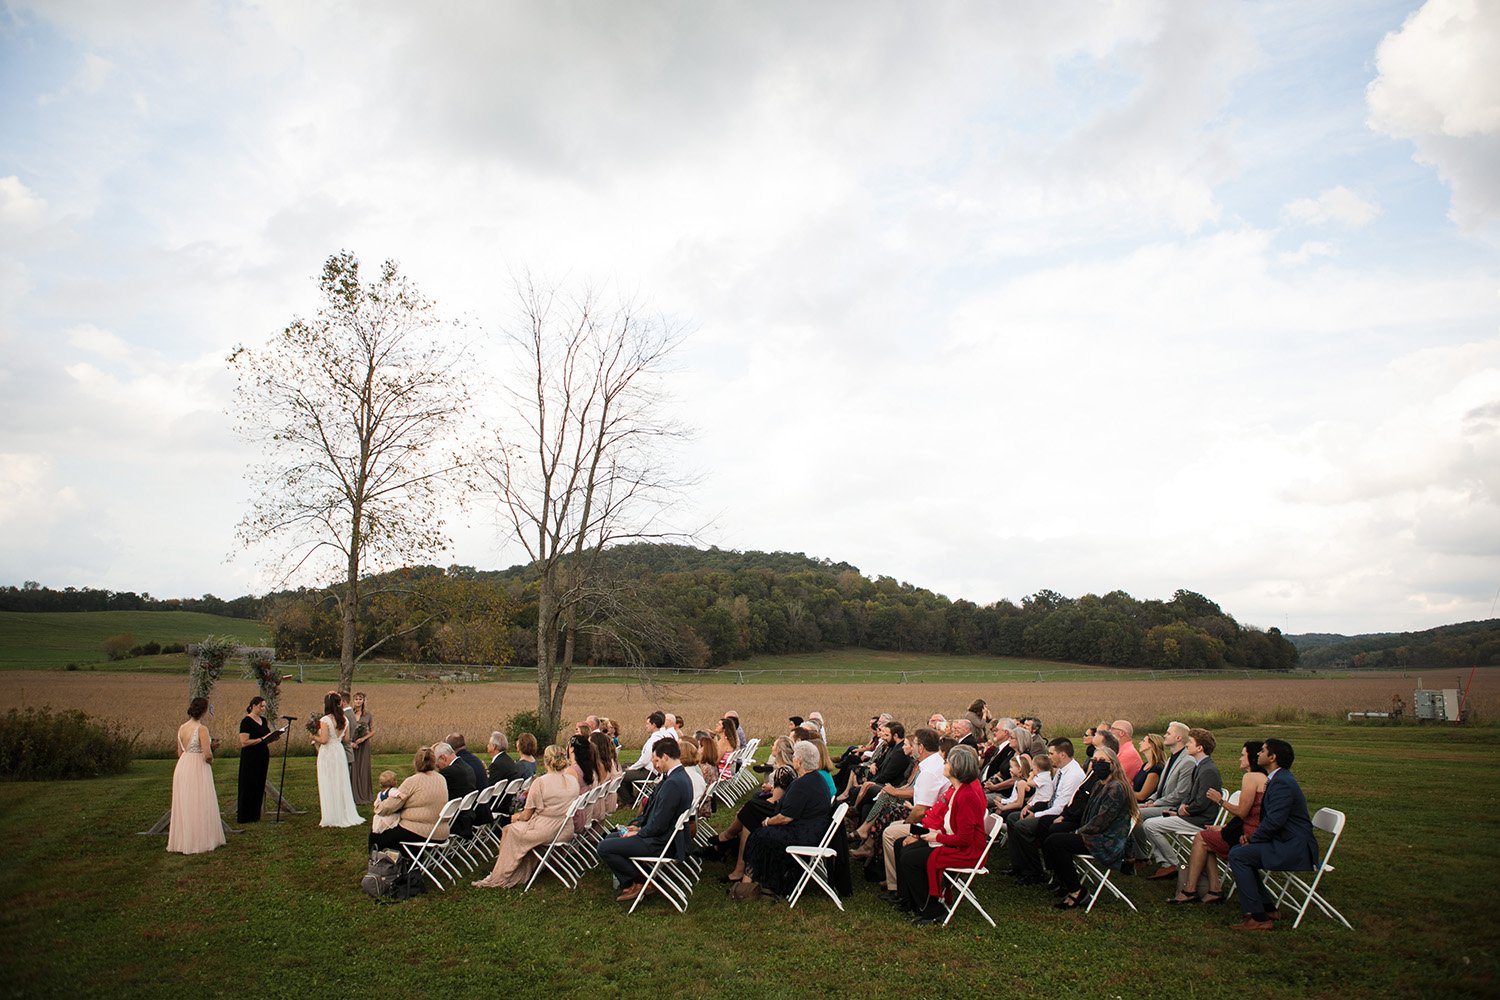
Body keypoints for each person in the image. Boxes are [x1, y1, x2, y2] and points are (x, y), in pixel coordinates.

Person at [1227, 738, 1319, 930]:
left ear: (1272, 757)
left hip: (1294, 847)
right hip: (1285, 841)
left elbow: (1275, 821)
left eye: (1262, 751)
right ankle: (1268, 907)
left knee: (1238, 855)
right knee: (1240, 852)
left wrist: (1253, 838)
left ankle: (1258, 917)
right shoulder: (1278, 778)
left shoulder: (1282, 783)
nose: (1258, 754)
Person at [894, 744, 987, 923]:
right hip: (943, 835)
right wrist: (924, 833)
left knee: (910, 858)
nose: (943, 765)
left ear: (957, 768)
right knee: (901, 845)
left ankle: (932, 909)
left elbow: (965, 839)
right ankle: (912, 901)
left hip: (966, 851)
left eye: (947, 762)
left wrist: (935, 836)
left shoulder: (965, 796)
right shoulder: (956, 790)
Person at [1170, 740, 1268, 904]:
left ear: (1251, 758)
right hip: (1250, 830)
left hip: (1249, 836)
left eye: (1243, 755)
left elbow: (1242, 812)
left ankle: (1190, 890)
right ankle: (1214, 889)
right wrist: (1224, 827)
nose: (1239, 759)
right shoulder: (1262, 778)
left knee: (1201, 838)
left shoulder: (1251, 777)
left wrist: (1220, 800)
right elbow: (1251, 814)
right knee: (1207, 838)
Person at [472, 744, 582, 889]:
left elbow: (526, 815)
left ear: (546, 761)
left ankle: (501, 874)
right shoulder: (572, 780)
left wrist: (513, 817)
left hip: (546, 831)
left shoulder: (541, 782)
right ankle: (511, 868)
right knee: (511, 829)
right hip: (565, 829)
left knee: (508, 829)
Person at [737, 740, 835, 900]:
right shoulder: (816, 779)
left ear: (800, 761)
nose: (794, 758)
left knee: (759, 835)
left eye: (795, 756)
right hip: (812, 830)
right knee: (762, 833)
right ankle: (755, 880)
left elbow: (786, 818)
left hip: (804, 835)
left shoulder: (803, 784)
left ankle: (746, 885)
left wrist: (768, 822)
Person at [600, 737, 694, 903]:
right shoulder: (679, 777)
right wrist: (637, 827)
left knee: (605, 847)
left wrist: (639, 832)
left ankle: (640, 881)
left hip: (660, 843)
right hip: (662, 836)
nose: (655, 765)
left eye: (656, 760)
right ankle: (638, 879)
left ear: (665, 756)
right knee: (611, 837)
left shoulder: (673, 783)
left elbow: (659, 824)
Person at [1044, 747, 1139, 909]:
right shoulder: (1099, 785)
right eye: (1094, 761)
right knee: (1053, 834)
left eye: (1102, 762)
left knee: (1056, 842)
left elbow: (1101, 822)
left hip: (1107, 840)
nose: (1097, 765)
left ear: (1113, 764)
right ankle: (1066, 883)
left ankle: (1076, 891)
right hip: (1094, 834)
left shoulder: (1116, 788)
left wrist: (1077, 832)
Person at [1138, 728, 1222, 879]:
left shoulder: (1207, 769)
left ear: (1199, 748)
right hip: (1190, 814)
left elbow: (1202, 802)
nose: (1187, 745)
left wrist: (1182, 810)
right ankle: (1166, 862)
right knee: (1149, 823)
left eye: (1190, 742)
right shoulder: (1201, 766)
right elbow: (1191, 795)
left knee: (1150, 825)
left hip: (1199, 819)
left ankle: (1174, 864)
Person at [168, 697, 225, 854]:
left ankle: (184, 840)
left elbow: (179, 752)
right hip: (198, 766)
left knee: (186, 802)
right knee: (200, 801)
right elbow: (207, 755)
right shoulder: (202, 729)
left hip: (183, 765)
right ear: (204, 711)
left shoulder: (181, 728)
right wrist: (212, 751)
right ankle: (200, 840)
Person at [369, 747, 449, 851]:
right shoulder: (441, 778)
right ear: (434, 761)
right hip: (441, 831)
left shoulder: (412, 781)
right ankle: (411, 861)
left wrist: (378, 807)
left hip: (421, 832)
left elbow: (390, 805)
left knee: (377, 835)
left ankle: (378, 863)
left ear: (415, 762)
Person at [313, 691, 362, 828]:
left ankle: (331, 814)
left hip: (328, 752)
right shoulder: (344, 720)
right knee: (340, 781)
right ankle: (343, 811)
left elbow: (323, 740)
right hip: (339, 752)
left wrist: (313, 737)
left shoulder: (325, 720)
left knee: (328, 780)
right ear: (339, 704)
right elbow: (346, 739)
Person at [236, 696, 280, 823]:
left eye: (264, 706)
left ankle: (255, 813)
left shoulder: (263, 720)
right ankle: (245, 815)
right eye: (261, 706)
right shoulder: (246, 721)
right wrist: (261, 739)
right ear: (253, 706)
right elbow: (244, 742)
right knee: (248, 783)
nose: (263, 709)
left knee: (259, 783)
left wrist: (272, 737)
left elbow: (266, 735)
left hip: (262, 754)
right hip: (250, 755)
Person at [349, 692, 374, 805]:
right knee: (353, 768)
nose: (358, 701)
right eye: (356, 699)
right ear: (353, 701)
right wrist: (350, 742)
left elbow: (373, 731)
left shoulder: (368, 715)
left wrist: (363, 739)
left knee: (363, 768)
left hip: (363, 745)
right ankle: (353, 794)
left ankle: (364, 794)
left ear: (363, 701)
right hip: (352, 743)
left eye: (360, 699)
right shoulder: (349, 714)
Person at [1134, 734, 1165, 803]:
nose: (1140, 743)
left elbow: (1142, 796)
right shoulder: (1145, 765)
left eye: (1143, 741)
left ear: (1151, 745)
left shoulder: (1156, 769)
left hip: (1144, 804)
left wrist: (1124, 791)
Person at [371, 770, 403, 835]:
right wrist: (401, 795)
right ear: (393, 782)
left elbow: (376, 803)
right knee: (392, 824)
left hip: (383, 814)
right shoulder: (392, 790)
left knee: (380, 824)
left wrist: (377, 806)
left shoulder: (380, 793)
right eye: (395, 779)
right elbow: (395, 793)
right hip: (392, 814)